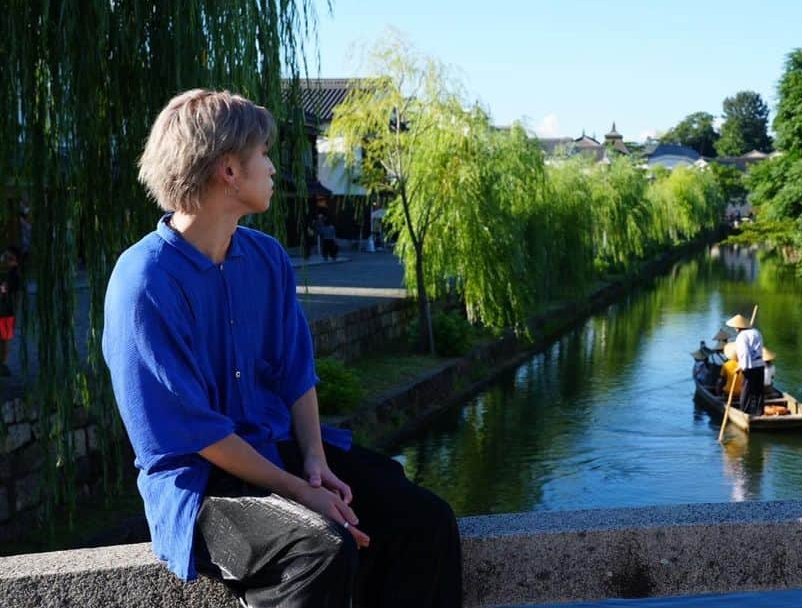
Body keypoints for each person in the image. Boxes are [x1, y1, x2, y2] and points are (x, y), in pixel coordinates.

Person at [102, 89, 461, 608]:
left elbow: (296, 371)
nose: (272, 168)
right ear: (229, 169)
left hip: (281, 449)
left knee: (422, 520)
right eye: (263, 155)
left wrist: (315, 462)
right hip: (201, 485)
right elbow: (195, 431)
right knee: (317, 548)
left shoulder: (266, 257)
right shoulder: (144, 281)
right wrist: (298, 490)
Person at [725, 312, 766, 416]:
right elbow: (760, 349)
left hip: (749, 366)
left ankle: (744, 413)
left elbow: (744, 353)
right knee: (758, 391)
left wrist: (742, 367)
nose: (735, 329)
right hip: (760, 364)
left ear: (738, 327)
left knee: (746, 391)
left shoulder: (741, 337)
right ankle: (759, 412)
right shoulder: (757, 332)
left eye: (735, 327)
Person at [0, 247, 21, 376]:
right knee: (3, 338)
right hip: (4, 310)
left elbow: (15, 293)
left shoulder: (14, 274)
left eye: (8, 258)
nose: (5, 260)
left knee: (5, 338)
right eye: (4, 257)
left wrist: (15, 311)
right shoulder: (8, 272)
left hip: (6, 311)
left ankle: (3, 364)